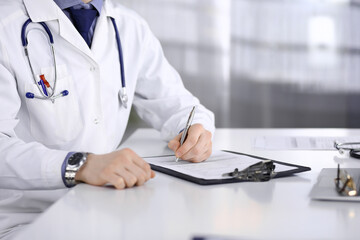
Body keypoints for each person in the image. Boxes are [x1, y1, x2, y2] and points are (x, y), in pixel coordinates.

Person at [0, 0, 215, 238]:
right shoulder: (5, 26)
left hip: (106, 207)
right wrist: (79, 165)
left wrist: (195, 129)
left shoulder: (130, 26)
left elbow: (178, 103)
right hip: (27, 221)